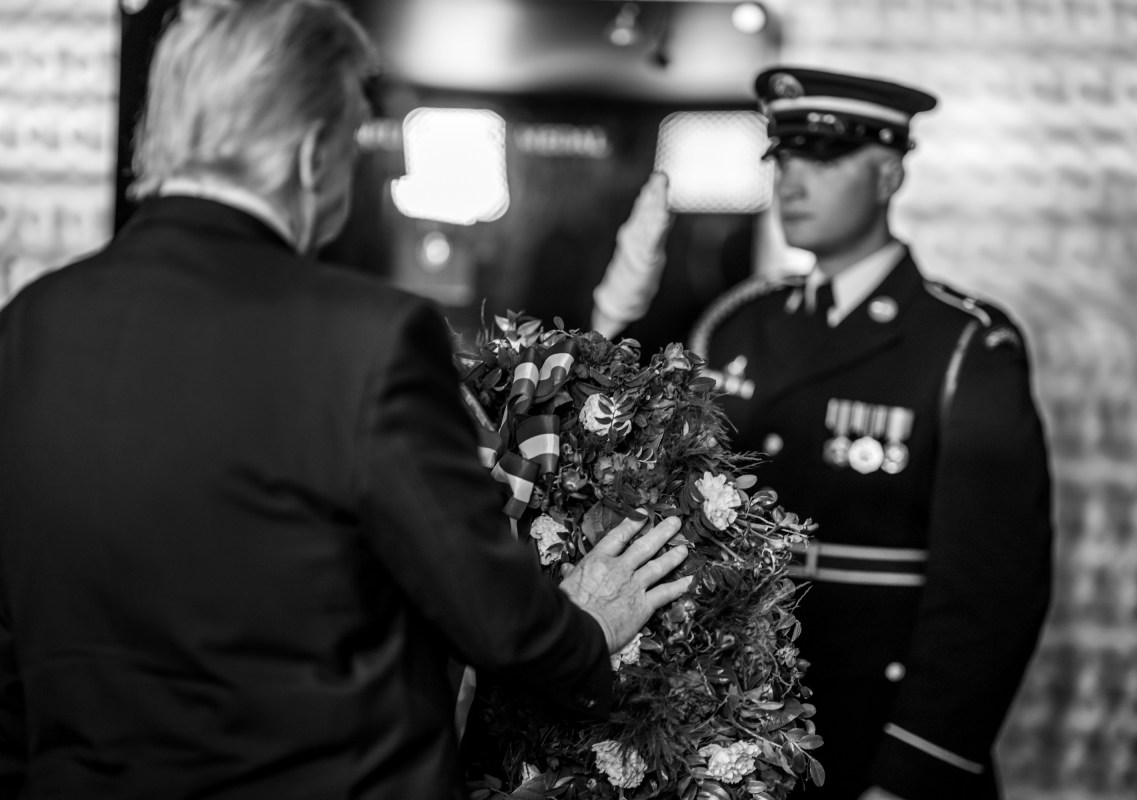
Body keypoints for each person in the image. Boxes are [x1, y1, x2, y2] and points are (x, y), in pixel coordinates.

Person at [0, 2, 692, 798]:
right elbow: (490, 613)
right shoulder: (369, 339)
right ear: (310, 156)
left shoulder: (26, 329)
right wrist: (589, 634)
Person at [600, 67, 1055, 799]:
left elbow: (991, 598)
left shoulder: (963, 346)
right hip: (734, 740)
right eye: (782, 157)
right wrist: (615, 311)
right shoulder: (736, 323)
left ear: (888, 174)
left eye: (824, 157)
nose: (792, 180)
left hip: (877, 741)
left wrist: (914, 772)